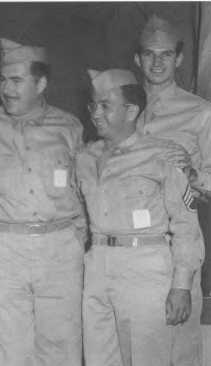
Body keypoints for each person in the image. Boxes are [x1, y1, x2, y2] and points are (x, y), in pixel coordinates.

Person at [0, 38, 85, 366]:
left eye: (17, 81)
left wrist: (78, 239)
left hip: (59, 248)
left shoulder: (70, 126)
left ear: (41, 83)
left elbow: (85, 188)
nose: (7, 89)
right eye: (2, 80)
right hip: (2, 248)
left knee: (63, 347)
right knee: (6, 350)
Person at [77, 68, 204, 366]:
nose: (96, 113)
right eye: (93, 105)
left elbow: (186, 226)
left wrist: (182, 284)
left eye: (106, 106)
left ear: (132, 110)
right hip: (97, 268)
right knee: (98, 358)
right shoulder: (83, 158)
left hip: (146, 270)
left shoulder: (161, 155)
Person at [134, 15, 210, 365]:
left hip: (177, 246)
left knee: (179, 355)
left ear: (179, 59)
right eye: (150, 54)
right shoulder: (123, 110)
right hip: (131, 253)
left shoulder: (200, 113)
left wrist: (192, 172)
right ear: (138, 59)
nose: (158, 62)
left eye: (166, 54)